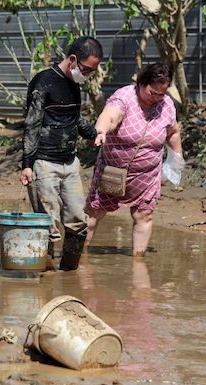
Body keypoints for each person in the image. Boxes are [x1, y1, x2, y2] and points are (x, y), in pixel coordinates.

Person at [19, 36, 103, 271]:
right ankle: (44, 279)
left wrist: (92, 132)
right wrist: (27, 163)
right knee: (47, 224)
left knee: (78, 221)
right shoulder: (43, 82)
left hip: (70, 163)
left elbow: (73, 118)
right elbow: (32, 124)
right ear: (73, 60)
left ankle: (69, 275)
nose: (88, 75)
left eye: (92, 71)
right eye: (86, 69)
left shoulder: (74, 84)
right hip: (44, 164)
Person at [84, 62, 183, 257]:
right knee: (94, 212)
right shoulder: (124, 97)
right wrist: (101, 130)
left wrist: (177, 157)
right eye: (152, 92)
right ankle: (79, 256)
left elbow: (172, 132)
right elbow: (110, 116)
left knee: (144, 214)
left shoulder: (166, 104)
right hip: (113, 170)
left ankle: (139, 262)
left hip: (147, 174)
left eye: (161, 94)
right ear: (141, 83)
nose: (156, 98)